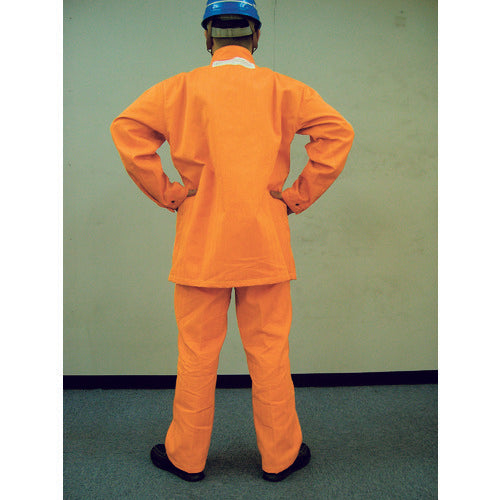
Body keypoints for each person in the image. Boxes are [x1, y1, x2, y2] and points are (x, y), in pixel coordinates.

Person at [110, 0, 354, 483]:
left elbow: (127, 130)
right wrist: (295, 197)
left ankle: (186, 457)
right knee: (269, 352)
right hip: (264, 244)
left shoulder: (177, 90)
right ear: (256, 36)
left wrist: (171, 193)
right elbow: (337, 135)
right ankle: (280, 457)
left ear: (207, 37)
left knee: (197, 353)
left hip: (202, 246)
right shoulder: (285, 90)